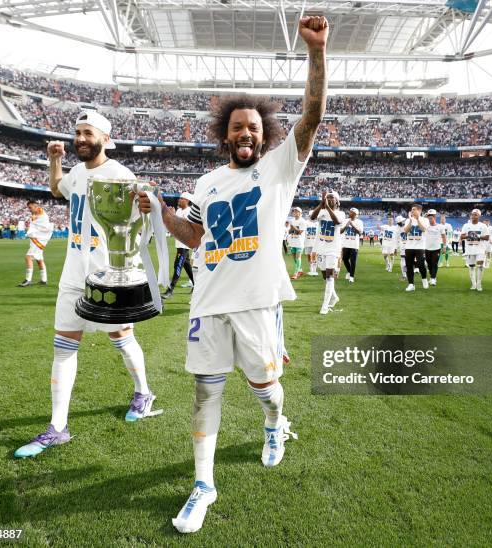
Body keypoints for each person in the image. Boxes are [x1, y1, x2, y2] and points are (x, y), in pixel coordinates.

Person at [138, 15, 328, 533]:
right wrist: (157, 209)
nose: (246, 133)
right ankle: (204, 484)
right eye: (237, 127)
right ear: (226, 135)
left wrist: (316, 50)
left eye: (254, 127)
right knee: (206, 391)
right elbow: (194, 236)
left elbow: (311, 118)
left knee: (266, 388)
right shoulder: (205, 182)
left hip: (256, 302)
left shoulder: (280, 168)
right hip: (207, 302)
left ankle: (273, 424)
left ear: (265, 136)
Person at [14, 111, 162, 459]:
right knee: (64, 345)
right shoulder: (78, 172)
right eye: (77, 133)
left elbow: (136, 225)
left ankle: (143, 393)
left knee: (121, 338)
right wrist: (55, 161)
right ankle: (58, 427)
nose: (80, 138)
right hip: (72, 271)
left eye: (87, 133)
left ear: (105, 139)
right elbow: (57, 189)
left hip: (107, 270)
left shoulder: (120, 175)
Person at [312, 191, 345, 314]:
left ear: (337, 201)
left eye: (332, 198)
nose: (329, 199)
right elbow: (311, 218)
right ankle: (334, 297)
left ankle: (324, 306)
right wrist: (321, 205)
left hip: (333, 249)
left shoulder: (341, 213)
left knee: (330, 275)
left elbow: (336, 222)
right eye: (328, 197)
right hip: (321, 248)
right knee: (325, 276)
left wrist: (327, 208)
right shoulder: (321, 211)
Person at [162, 192, 196, 299]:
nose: (179, 200)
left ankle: (170, 290)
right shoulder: (179, 210)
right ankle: (196, 285)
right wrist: (172, 216)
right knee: (187, 266)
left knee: (177, 265)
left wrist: (173, 216)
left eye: (182, 198)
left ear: (187, 201)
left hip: (184, 243)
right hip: (179, 243)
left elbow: (186, 226)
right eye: (180, 198)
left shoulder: (189, 211)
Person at [17, 201, 53, 287]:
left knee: (28, 257)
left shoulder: (40, 212)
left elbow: (38, 217)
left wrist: (33, 218)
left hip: (39, 239)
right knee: (39, 259)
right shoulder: (37, 214)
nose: (29, 210)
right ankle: (44, 280)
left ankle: (28, 280)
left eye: (30, 207)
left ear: (36, 206)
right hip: (38, 239)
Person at [460, 208, 489, 291]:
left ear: (479, 216)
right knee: (471, 267)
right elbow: (462, 236)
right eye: (472, 214)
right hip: (470, 249)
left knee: (480, 266)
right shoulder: (466, 225)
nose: (473, 216)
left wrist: (478, 236)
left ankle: (479, 284)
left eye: (475, 214)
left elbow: (487, 237)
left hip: (480, 249)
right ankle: (473, 284)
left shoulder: (483, 226)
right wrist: (470, 235)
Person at [402, 204, 429, 292]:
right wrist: (410, 221)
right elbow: (405, 231)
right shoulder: (408, 220)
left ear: (419, 211)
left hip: (420, 246)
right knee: (409, 266)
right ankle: (411, 284)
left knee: (421, 264)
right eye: (411, 210)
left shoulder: (425, 220)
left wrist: (417, 220)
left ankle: (424, 279)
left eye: (414, 209)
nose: (412, 211)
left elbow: (423, 229)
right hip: (409, 246)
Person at [424, 209, 446, 286]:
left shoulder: (440, 227)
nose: (430, 220)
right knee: (429, 264)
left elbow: (443, 236)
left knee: (434, 263)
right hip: (427, 248)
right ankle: (432, 276)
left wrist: (444, 246)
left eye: (431, 218)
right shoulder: (426, 226)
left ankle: (433, 278)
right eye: (428, 218)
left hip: (436, 248)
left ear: (434, 217)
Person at [341, 207, 363, 283]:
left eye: (353, 213)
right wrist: (346, 226)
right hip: (346, 244)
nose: (351, 214)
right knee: (345, 259)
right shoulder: (345, 221)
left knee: (353, 261)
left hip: (354, 244)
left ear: (356, 215)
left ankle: (351, 277)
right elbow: (340, 231)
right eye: (350, 212)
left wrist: (353, 225)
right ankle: (349, 271)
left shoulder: (360, 222)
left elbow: (360, 233)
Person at [288, 206, 306, 279]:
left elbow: (300, 232)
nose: (294, 212)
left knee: (298, 257)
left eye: (296, 211)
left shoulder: (302, 221)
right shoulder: (292, 220)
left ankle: (296, 273)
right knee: (294, 257)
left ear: (300, 213)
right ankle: (300, 270)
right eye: (294, 211)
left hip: (299, 242)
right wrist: (290, 228)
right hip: (292, 241)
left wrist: (293, 226)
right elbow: (290, 231)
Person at [304, 211, 318, 276]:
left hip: (315, 242)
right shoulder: (306, 223)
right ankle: (311, 269)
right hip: (308, 241)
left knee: (315, 256)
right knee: (309, 256)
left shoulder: (318, 223)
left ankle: (314, 270)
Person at [395, 215, 408, 280]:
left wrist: (395, 248)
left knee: (404, 261)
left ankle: (405, 275)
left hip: (405, 246)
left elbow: (396, 239)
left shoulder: (397, 228)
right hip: (406, 246)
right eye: (402, 221)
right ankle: (405, 275)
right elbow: (396, 239)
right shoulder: (407, 225)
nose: (404, 221)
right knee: (404, 261)